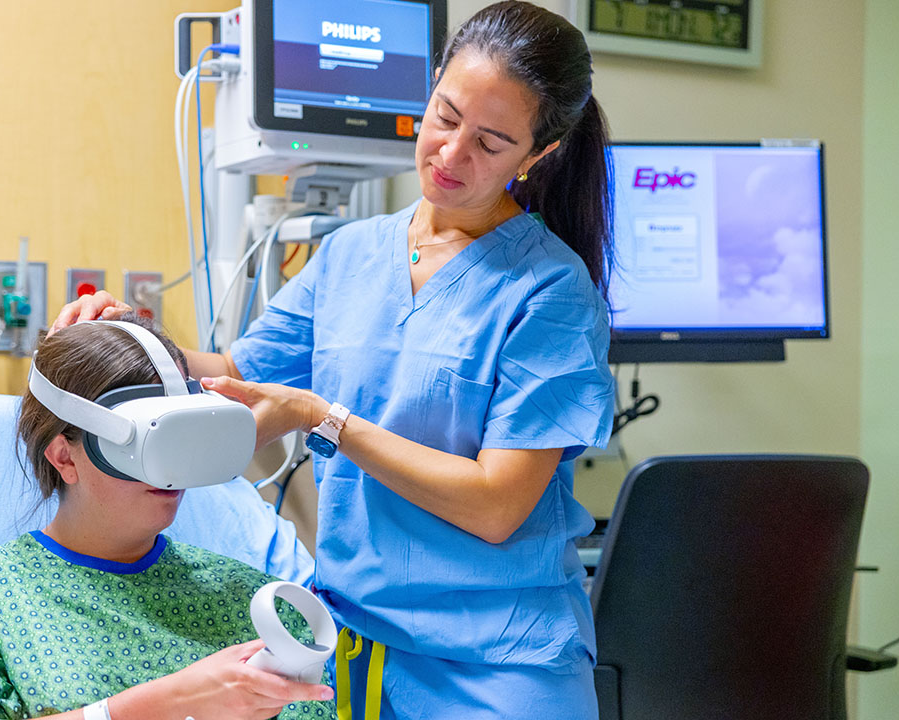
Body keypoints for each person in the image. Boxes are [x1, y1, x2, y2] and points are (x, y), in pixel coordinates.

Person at [52, 3, 616, 717]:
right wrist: (134, 330)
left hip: (498, 661)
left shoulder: (551, 293)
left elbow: (498, 505)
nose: (449, 154)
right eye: (445, 117)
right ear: (433, 84)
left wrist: (324, 419)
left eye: (490, 142)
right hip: (354, 647)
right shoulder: (351, 253)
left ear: (538, 154)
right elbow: (239, 367)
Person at [0, 315, 334, 720]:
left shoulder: (254, 605)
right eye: (141, 443)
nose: (170, 472)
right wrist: (162, 703)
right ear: (63, 458)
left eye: (181, 436)